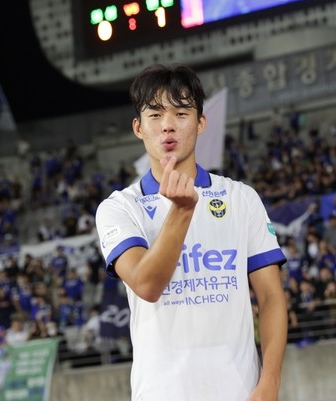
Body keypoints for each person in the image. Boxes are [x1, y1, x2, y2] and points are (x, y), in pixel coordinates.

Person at [95, 64, 288, 401]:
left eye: (181, 113)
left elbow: (271, 296)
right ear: (138, 128)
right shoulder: (120, 208)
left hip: (240, 393)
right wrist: (182, 211)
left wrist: (270, 381)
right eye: (155, 115)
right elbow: (146, 285)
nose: (168, 125)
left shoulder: (241, 198)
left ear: (201, 123)